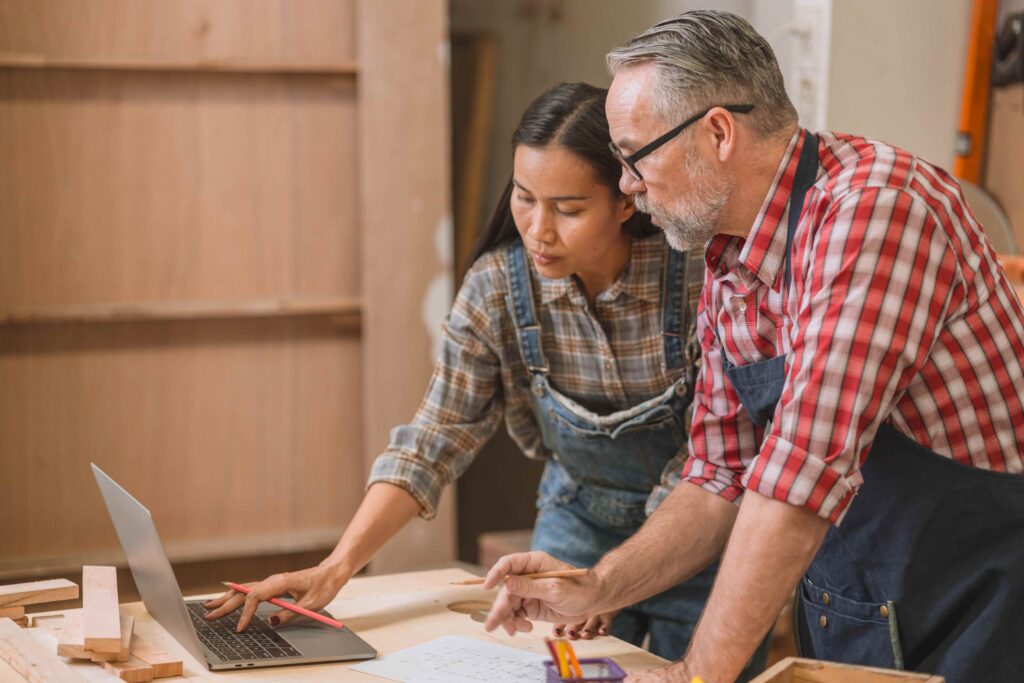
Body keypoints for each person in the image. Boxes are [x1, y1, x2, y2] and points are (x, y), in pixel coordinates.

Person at [484, 11, 1024, 683]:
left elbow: (800, 474)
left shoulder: (876, 210)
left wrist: (694, 674)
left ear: (717, 133)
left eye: (634, 155)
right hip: (861, 608)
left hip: (982, 605)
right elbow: (719, 475)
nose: (626, 184)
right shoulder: (729, 257)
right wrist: (599, 585)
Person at [201, 81, 769, 677]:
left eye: (568, 209)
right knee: (555, 673)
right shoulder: (498, 287)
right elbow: (433, 439)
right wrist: (335, 568)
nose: (538, 229)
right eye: (525, 198)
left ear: (627, 198)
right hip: (575, 524)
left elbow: (715, 463)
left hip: (702, 536)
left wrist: (615, 580)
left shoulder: (701, 278)